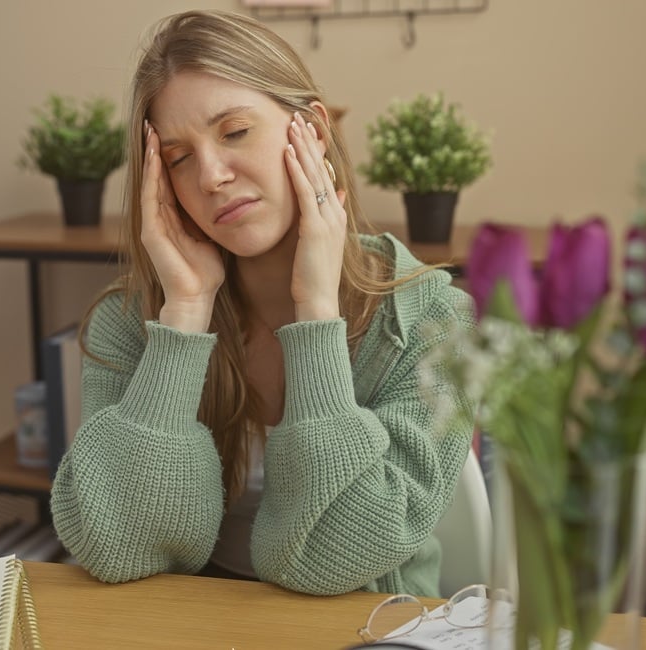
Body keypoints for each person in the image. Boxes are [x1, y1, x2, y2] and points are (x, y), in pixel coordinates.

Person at [50, 9, 476, 599]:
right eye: (178, 158)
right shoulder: (128, 325)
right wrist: (186, 314)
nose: (212, 176)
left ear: (314, 132)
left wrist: (317, 314)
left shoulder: (434, 320)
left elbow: (331, 559)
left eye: (234, 131)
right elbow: (118, 547)